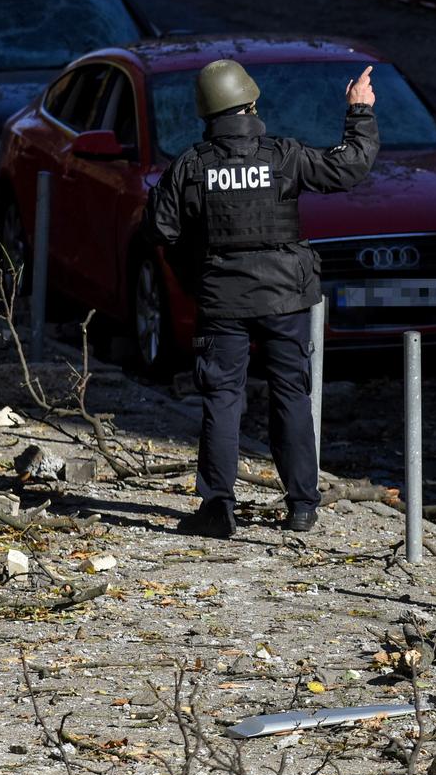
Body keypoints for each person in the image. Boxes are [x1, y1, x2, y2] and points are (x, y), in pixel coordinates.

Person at [146, 57, 379, 538]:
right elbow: (348, 168)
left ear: (206, 113)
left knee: (222, 399)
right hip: (284, 299)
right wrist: (359, 111)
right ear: (251, 102)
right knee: (292, 394)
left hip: (222, 303)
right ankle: (302, 507)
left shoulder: (190, 167)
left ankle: (217, 508)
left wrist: (199, 273)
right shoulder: (284, 155)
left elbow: (161, 229)